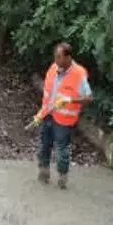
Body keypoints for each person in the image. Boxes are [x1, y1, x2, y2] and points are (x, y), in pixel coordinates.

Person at [37, 42, 92, 189]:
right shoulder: (53, 68)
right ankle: (43, 171)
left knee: (62, 148)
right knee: (44, 144)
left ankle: (62, 177)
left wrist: (69, 100)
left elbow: (88, 98)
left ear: (68, 57)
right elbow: (47, 92)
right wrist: (41, 113)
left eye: (59, 57)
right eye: (55, 57)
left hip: (64, 119)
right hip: (48, 114)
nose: (56, 60)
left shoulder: (79, 74)